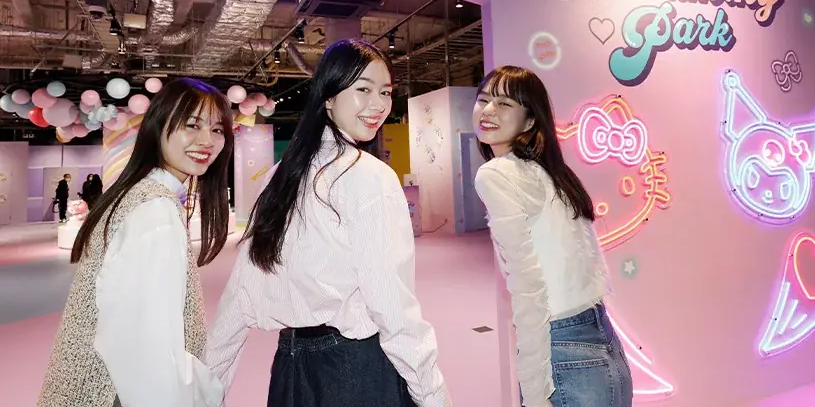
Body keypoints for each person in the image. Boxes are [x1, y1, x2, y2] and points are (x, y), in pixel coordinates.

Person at [207, 39, 451, 407]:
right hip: (354, 371)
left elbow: (240, 295)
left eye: (385, 92)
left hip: (289, 369)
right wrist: (432, 396)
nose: (378, 105)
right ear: (329, 97)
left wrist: (207, 388)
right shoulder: (370, 177)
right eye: (363, 89)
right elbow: (393, 307)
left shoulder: (280, 175)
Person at [38, 78, 235, 407]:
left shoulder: (139, 194)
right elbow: (145, 348)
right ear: (158, 126)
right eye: (192, 125)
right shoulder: (154, 210)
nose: (207, 141)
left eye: (217, 130)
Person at [472, 65, 633, 407]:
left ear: (529, 121)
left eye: (504, 104)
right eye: (483, 100)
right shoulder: (549, 172)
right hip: (602, 340)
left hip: (563, 347)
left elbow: (528, 287)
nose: (488, 110)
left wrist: (534, 392)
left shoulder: (496, 174)